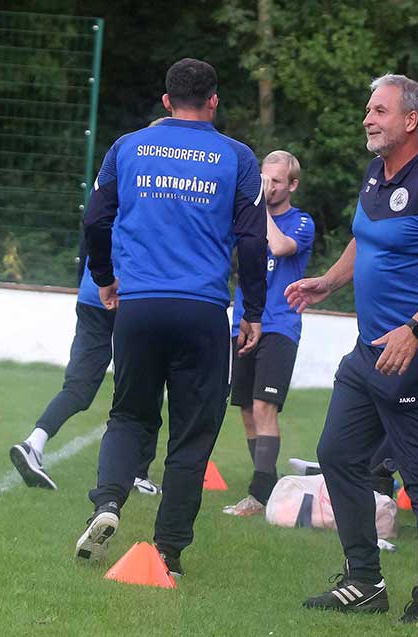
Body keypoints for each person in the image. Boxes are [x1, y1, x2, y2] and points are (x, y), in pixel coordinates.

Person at [286, 73, 418, 626]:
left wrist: (415, 330)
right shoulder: (377, 173)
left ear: (410, 120)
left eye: (379, 110)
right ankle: (364, 581)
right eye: (368, 110)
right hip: (368, 353)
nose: (367, 119)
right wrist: (329, 280)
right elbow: (365, 237)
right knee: (338, 455)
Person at [74, 58, 267, 575]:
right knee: (192, 433)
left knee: (129, 415)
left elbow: (95, 219)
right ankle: (168, 552)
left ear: (166, 101)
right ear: (214, 100)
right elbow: (252, 241)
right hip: (203, 311)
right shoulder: (238, 157)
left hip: (140, 307)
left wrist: (104, 275)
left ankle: (108, 504)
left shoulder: (128, 147)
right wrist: (253, 309)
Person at [9, 256, 160, 494]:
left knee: (78, 386)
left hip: (92, 293)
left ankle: (34, 443)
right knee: (145, 385)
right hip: (132, 294)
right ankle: (138, 474)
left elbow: (90, 234)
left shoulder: (99, 216)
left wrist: (90, 281)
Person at [223, 150, 315, 516]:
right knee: (246, 409)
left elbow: (279, 246)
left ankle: (259, 495)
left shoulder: (301, 222)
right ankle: (269, 484)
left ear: (292, 184)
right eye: (264, 178)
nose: (268, 186)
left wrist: (257, 205)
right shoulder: (244, 219)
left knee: (264, 406)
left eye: (276, 181)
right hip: (243, 321)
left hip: (281, 325)